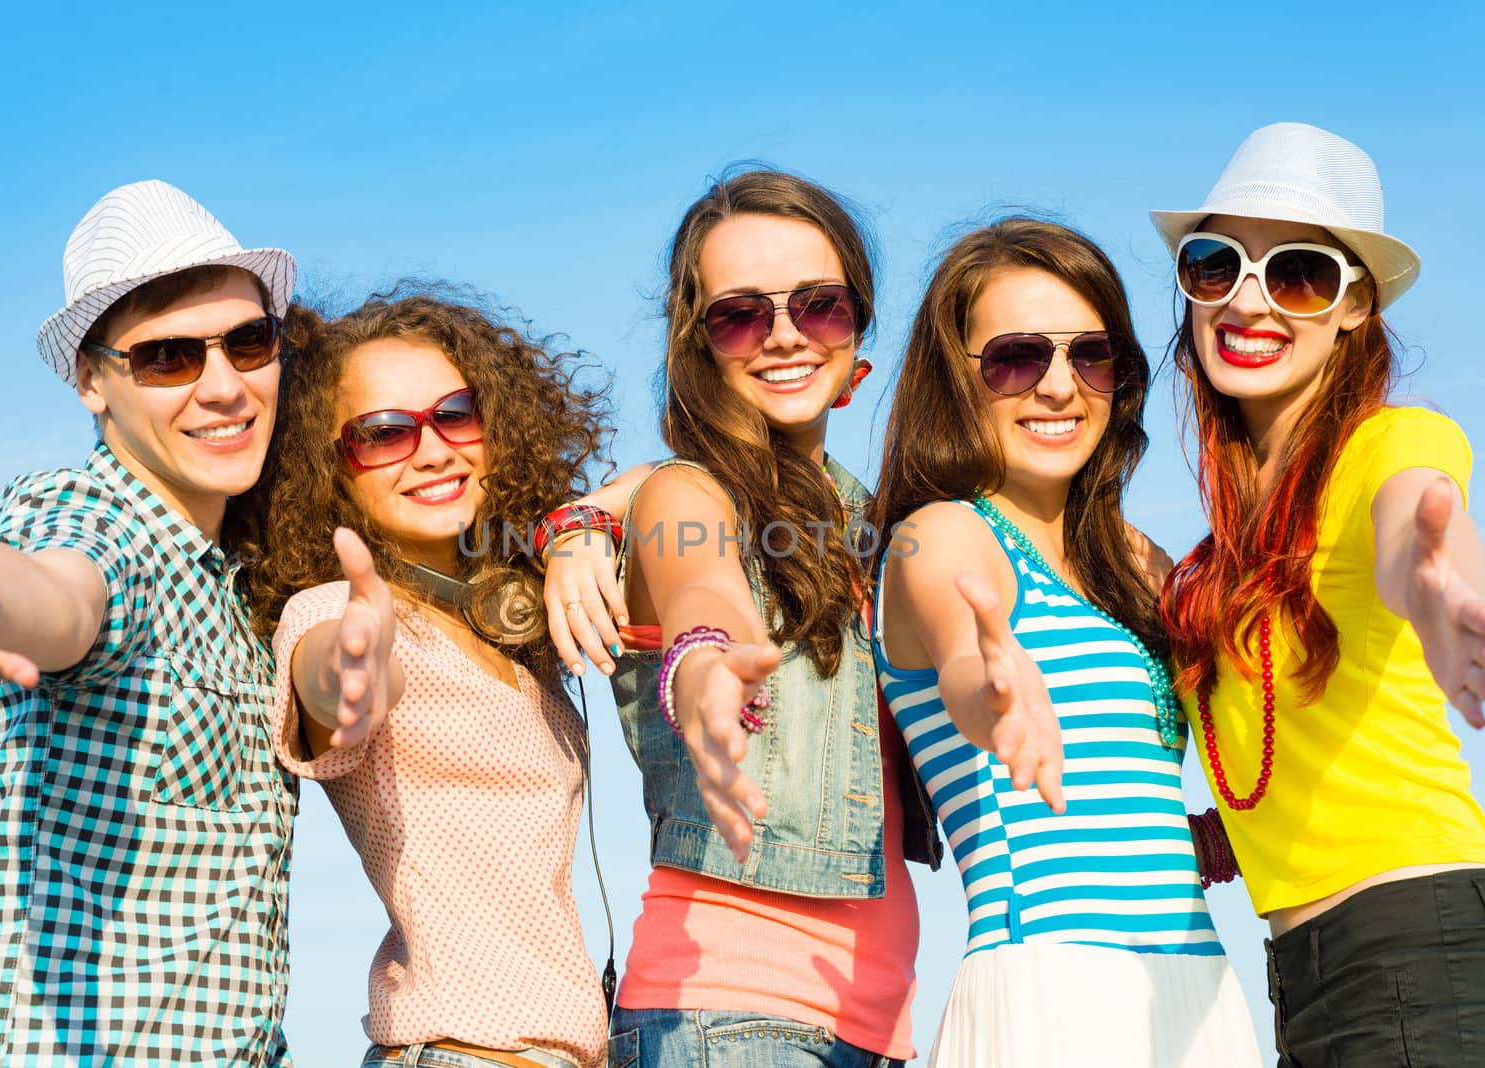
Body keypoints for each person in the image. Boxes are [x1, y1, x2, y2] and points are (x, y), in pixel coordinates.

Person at [0, 180, 299, 1064]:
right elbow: (67, 592)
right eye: (168, 359)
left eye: (249, 342)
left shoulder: (241, 586)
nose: (224, 387)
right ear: (91, 381)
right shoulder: (86, 513)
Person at [867, 217, 1259, 1066]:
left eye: (1090, 355)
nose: (1057, 386)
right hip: (1055, 991)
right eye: (1015, 357)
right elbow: (968, 652)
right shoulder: (942, 533)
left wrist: (1203, 832)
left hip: (1196, 994)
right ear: (955, 379)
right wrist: (995, 697)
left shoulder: (1140, 560)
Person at [1153, 121, 1485, 1066]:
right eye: (1218, 265)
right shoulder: (1225, 556)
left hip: (1415, 943)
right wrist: (1223, 828)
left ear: (1355, 309)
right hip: (1306, 969)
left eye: (1297, 273)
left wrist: (1440, 582)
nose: (1248, 299)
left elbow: (1417, 521)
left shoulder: (1382, 446)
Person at [601, 169, 941, 1068]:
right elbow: (699, 585)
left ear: (858, 323)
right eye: (741, 314)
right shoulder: (684, 489)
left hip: (866, 1029)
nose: (786, 334)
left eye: (819, 305)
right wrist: (706, 666)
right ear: (700, 342)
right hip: (729, 1018)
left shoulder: (868, 524)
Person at [244, 287, 615, 1068]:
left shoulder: (504, 624)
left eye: (456, 412)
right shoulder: (336, 607)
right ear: (331, 469)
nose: (434, 450)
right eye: (383, 434)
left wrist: (577, 530)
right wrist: (352, 670)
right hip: (457, 1050)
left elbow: (659, 478)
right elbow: (332, 684)